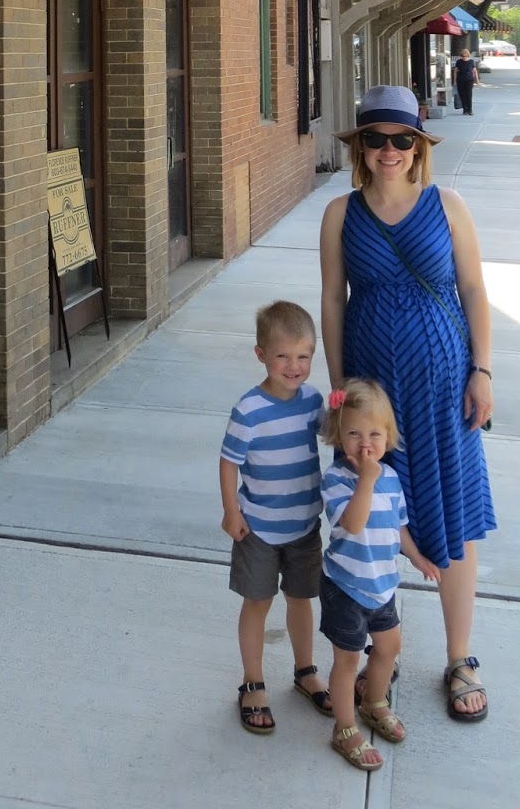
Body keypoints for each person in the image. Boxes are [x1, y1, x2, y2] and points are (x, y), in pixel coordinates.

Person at [319, 85, 495, 722]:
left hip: (444, 385)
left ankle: (459, 658)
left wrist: (482, 370)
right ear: (359, 147)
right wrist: (338, 392)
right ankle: (377, 656)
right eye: (375, 138)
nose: (388, 151)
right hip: (372, 397)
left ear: (418, 146)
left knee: (450, 511)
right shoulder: (340, 213)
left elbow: (474, 289)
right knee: (371, 519)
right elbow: (332, 302)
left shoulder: (447, 206)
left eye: (402, 140)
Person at [219, 300, 330, 733]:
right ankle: (253, 683)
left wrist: (345, 407)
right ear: (261, 354)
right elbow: (229, 462)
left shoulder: (313, 401)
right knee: (258, 602)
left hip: (304, 525)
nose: (294, 365)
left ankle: (305, 672)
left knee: (302, 599)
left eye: (303, 356)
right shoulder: (249, 410)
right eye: (283, 355)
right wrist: (232, 510)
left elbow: (331, 432)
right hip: (258, 527)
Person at [320, 379, 440, 772]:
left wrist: (418, 556)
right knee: (348, 659)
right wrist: (365, 481)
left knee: (389, 648)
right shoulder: (337, 480)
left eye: (375, 433)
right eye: (354, 433)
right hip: (346, 586)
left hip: (382, 584)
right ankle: (344, 727)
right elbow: (353, 524)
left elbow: (397, 526)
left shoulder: (390, 478)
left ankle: (374, 703)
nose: (365, 443)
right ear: (338, 436)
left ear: (389, 438)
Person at [452, 46, 480, 115]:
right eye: (463, 56)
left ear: (468, 55)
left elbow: (475, 71)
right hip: (460, 80)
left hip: (469, 80)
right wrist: (455, 81)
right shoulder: (459, 62)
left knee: (469, 94)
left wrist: (477, 80)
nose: (464, 57)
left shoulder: (471, 62)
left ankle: (470, 109)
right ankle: (465, 109)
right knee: (462, 95)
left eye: (465, 56)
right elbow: (455, 71)